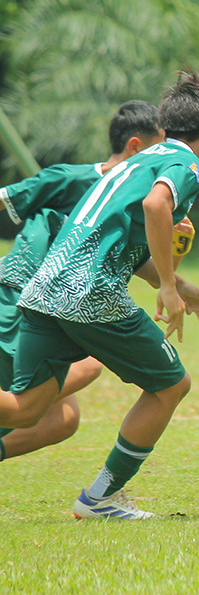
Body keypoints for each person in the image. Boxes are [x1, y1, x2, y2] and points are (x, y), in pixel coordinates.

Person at [0, 71, 199, 519]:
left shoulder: (134, 161)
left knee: (26, 409)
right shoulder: (189, 163)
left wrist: (180, 284)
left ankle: (99, 499)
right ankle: (99, 499)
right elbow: (155, 206)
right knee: (171, 385)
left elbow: (121, 239)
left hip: (44, 288)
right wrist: (167, 285)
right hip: (89, 293)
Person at [0, 101, 163, 462]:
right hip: (18, 295)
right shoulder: (78, 180)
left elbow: (139, 265)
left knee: (62, 419)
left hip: (59, 306)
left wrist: (176, 281)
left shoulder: (133, 200)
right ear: (135, 147)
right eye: (160, 149)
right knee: (72, 377)